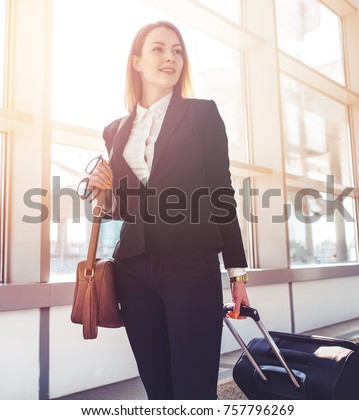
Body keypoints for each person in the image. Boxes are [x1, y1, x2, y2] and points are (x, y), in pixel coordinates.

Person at [87, 21, 250, 400]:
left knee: (193, 391)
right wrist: (103, 187)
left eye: (177, 50)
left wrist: (237, 272)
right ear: (137, 62)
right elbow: (118, 210)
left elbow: (221, 194)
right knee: (158, 391)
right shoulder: (114, 130)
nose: (170, 57)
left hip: (191, 266)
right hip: (133, 270)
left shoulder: (202, 115)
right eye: (158, 49)